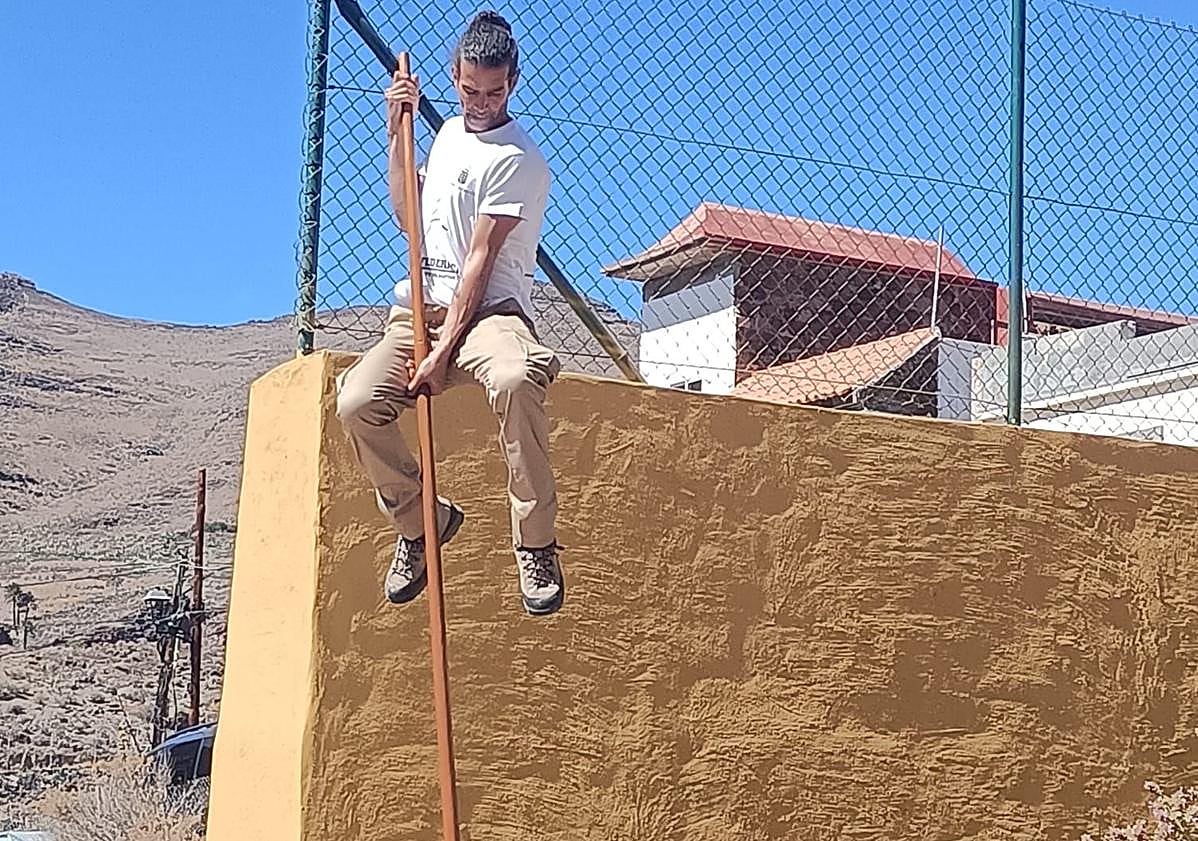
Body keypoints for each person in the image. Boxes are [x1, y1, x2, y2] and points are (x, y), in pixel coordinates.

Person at [335, 10, 565, 617]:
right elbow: (409, 219)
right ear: (454, 77)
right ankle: (422, 523)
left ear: (513, 82)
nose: (481, 103)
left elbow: (479, 262)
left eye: (493, 92)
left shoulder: (519, 159)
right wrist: (396, 131)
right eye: (469, 90)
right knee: (356, 402)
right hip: (419, 310)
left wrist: (442, 352)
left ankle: (536, 544)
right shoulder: (444, 138)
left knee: (515, 377)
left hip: (489, 314)